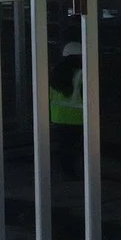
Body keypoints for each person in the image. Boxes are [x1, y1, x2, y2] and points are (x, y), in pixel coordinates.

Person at [48, 41, 85, 178]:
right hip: (77, 118)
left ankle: (67, 172)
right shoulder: (81, 74)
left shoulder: (54, 72)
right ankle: (75, 173)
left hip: (58, 117)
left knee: (65, 147)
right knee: (77, 148)